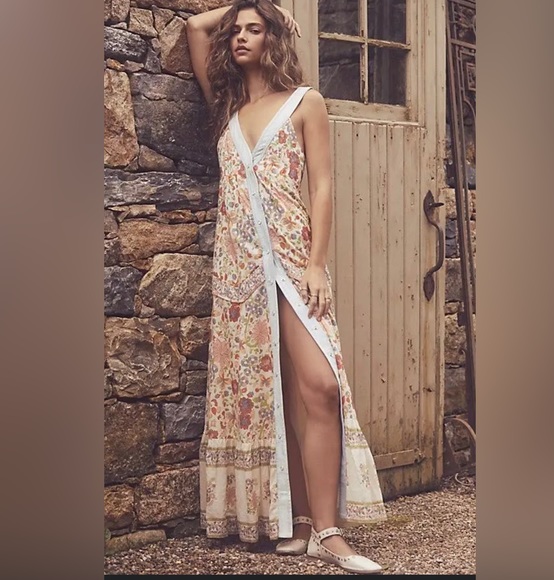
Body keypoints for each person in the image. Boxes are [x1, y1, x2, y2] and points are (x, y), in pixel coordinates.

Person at [186, 1, 386, 574]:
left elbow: (321, 186)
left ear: (274, 38)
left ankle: (329, 532)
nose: (240, 37)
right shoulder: (227, 107)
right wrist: (258, 4)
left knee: (319, 386)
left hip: (295, 264)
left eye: (255, 29)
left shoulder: (305, 102)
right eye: (236, 31)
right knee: (275, 395)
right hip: (240, 275)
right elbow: (195, 26)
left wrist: (316, 264)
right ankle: (298, 522)